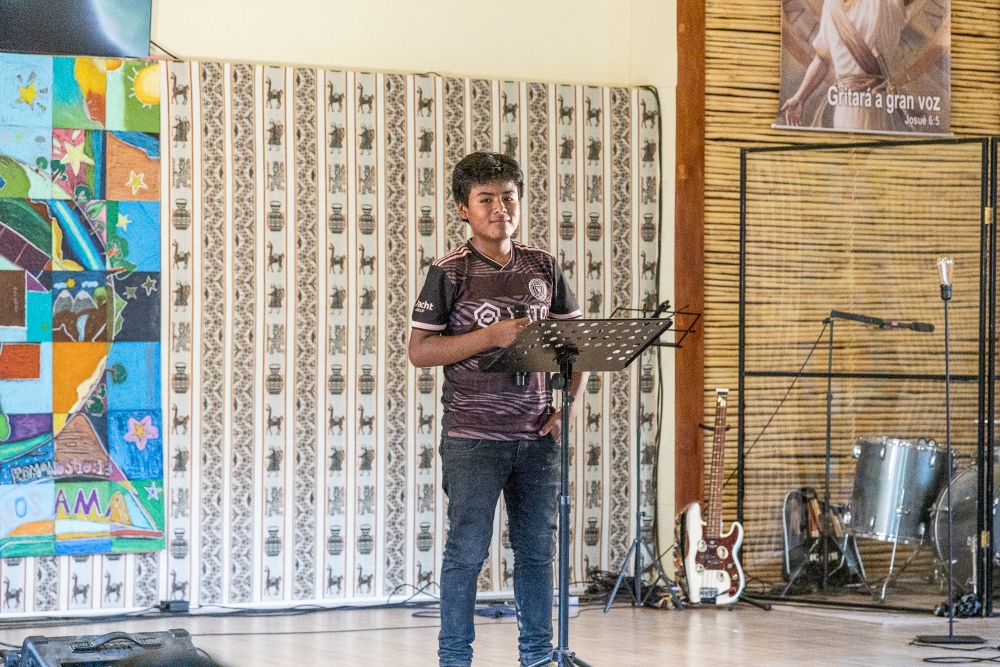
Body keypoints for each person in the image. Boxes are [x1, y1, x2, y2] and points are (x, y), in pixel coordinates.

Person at [409, 152, 585, 667]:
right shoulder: (449, 271)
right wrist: (490, 336)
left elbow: (577, 344)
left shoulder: (543, 265)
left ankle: (538, 656)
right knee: (466, 552)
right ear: (464, 210)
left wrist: (567, 407)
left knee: (537, 553)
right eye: (485, 199)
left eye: (508, 197)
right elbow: (420, 351)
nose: (499, 208)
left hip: (538, 435)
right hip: (472, 437)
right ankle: (454, 659)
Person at [780, 0, 917, 132]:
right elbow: (822, 60)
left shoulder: (887, 2)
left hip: (877, 105)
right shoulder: (832, 5)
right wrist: (799, 98)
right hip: (844, 108)